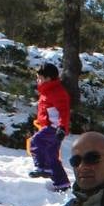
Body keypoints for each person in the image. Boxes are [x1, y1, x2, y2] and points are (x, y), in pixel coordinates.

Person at [29, 63, 72, 193]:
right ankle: (62, 183)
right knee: (52, 155)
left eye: (40, 78)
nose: (38, 81)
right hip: (52, 127)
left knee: (36, 141)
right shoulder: (47, 91)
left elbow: (64, 111)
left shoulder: (56, 92)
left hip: (54, 128)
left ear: (48, 79)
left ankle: (43, 167)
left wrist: (62, 127)